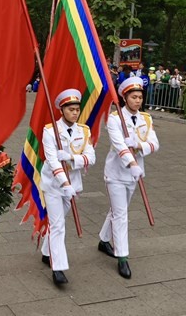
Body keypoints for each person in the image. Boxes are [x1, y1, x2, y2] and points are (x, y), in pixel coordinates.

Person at [98, 77, 160, 279]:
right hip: (117, 173)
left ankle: (103, 239)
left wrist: (139, 145)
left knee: (118, 209)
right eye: (133, 97)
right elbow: (118, 145)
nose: (137, 101)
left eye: (140, 97)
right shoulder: (115, 119)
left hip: (135, 174)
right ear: (124, 98)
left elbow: (154, 144)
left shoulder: (146, 119)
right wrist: (131, 163)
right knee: (122, 214)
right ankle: (122, 256)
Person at [40, 89, 96, 286]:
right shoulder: (49, 131)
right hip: (54, 185)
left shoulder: (84, 131)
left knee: (58, 221)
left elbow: (91, 157)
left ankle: (47, 252)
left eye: (77, 109)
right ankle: (59, 268)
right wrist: (64, 183)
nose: (75, 113)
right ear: (61, 110)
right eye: (71, 109)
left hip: (73, 185)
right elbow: (53, 161)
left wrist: (72, 158)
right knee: (58, 225)